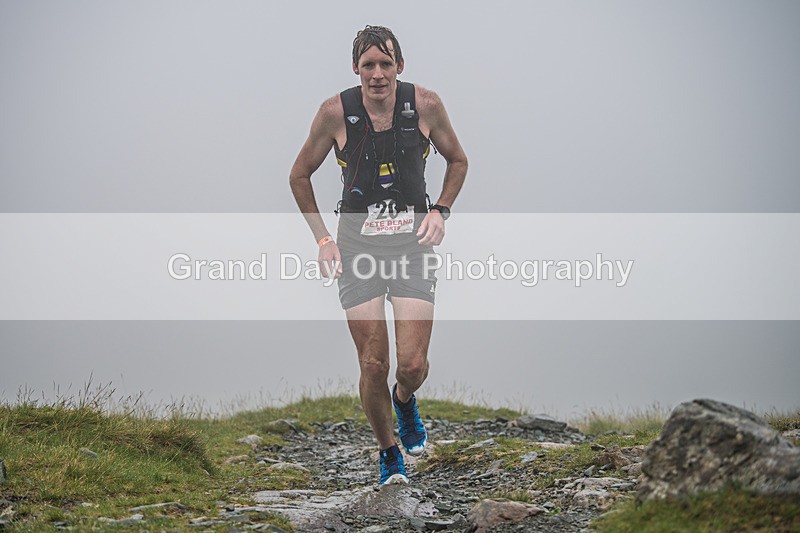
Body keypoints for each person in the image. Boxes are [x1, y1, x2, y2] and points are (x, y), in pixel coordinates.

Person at [289, 25, 468, 486]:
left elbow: (458, 160)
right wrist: (323, 240)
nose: (377, 74)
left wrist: (441, 211)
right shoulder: (335, 113)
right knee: (373, 361)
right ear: (356, 69)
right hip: (358, 250)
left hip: (412, 247)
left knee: (411, 366)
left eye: (385, 64)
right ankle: (389, 452)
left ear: (399, 67)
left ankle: (405, 401)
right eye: (368, 65)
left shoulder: (425, 105)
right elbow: (299, 176)